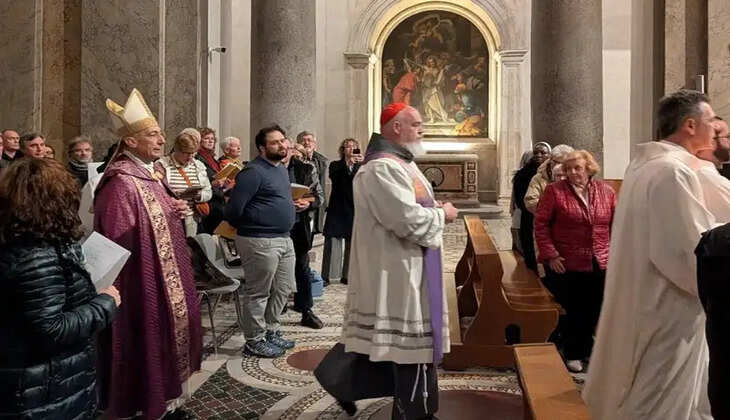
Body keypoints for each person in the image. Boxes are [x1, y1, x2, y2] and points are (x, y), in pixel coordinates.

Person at [315, 103, 459, 419]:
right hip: (396, 269)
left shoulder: (402, 164)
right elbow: (406, 220)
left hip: (408, 264)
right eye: (416, 124)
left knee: (388, 340)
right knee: (408, 346)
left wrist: (434, 209)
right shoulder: (382, 168)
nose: (422, 129)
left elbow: (412, 209)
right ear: (396, 127)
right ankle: (414, 414)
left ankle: (340, 381)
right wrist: (443, 214)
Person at [583, 89, 720, 420]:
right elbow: (689, 251)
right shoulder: (672, 172)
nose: (715, 127)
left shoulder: (645, 166)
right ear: (690, 125)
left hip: (646, 295)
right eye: (711, 120)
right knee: (659, 397)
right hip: (667, 307)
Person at [94, 88, 202, 419]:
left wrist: (176, 209)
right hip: (141, 281)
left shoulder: (149, 174)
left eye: (160, 133)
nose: (161, 140)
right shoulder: (121, 183)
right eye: (152, 134)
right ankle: (147, 406)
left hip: (163, 275)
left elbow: (157, 214)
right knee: (146, 340)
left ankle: (166, 402)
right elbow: (117, 239)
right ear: (130, 141)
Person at [0, 158, 120, 419]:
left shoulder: (31, 239)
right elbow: (52, 329)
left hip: (46, 381)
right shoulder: (35, 257)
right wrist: (105, 303)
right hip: (42, 387)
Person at [533, 150, 616, 373]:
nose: (572, 173)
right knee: (575, 308)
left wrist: (615, 254)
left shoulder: (606, 191)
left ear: (588, 168)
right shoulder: (555, 191)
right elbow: (541, 224)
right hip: (566, 260)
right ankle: (573, 353)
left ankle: (588, 349)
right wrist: (550, 254)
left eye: (577, 168)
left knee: (595, 307)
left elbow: (615, 224)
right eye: (568, 169)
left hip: (600, 259)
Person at [224, 124, 297, 358]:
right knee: (259, 292)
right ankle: (254, 340)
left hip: (284, 238)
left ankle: (271, 331)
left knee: (283, 289)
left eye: (283, 140)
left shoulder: (280, 169)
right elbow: (233, 210)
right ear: (262, 148)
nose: (282, 145)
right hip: (259, 240)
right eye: (275, 142)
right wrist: (257, 221)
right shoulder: (252, 172)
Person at [283, 140, 325, 329]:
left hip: (299, 225)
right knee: (277, 270)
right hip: (275, 226)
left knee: (302, 267)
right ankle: (278, 306)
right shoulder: (268, 169)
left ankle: (305, 309)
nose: (284, 151)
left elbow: (319, 196)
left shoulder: (306, 169)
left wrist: (308, 203)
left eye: (288, 148)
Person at [321, 138, 363, 286]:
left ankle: (348, 276)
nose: (351, 149)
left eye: (354, 146)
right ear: (343, 150)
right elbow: (335, 179)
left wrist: (362, 164)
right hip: (337, 208)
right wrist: (348, 165)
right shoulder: (335, 165)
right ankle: (328, 276)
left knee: (352, 244)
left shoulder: (362, 166)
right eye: (348, 147)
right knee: (332, 242)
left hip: (354, 208)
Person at [157, 128, 213, 237]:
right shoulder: (162, 165)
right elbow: (156, 192)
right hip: (170, 217)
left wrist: (198, 195)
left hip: (191, 217)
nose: (190, 157)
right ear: (177, 149)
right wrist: (174, 197)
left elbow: (208, 191)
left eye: (193, 153)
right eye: (187, 153)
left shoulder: (198, 166)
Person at [511, 142, 551, 271]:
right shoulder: (523, 174)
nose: (539, 155)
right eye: (536, 153)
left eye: (543, 153)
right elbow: (521, 198)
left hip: (549, 219)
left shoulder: (553, 172)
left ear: (549, 154)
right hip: (529, 216)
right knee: (530, 251)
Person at [523, 144, 574, 214]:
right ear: (551, 161)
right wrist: (551, 210)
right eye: (559, 162)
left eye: (566, 163)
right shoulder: (539, 178)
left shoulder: (575, 175)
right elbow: (531, 201)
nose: (562, 166)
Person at [297, 131, 329, 234]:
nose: (306, 143)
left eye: (309, 140)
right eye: (303, 140)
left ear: (314, 144)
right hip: (299, 202)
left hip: (315, 201)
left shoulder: (321, 161)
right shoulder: (294, 160)